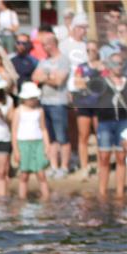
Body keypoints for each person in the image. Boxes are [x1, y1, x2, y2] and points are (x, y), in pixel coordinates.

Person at [33, 32, 71, 177]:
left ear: (52, 44)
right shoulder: (44, 61)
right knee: (51, 136)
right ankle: (54, 166)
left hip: (59, 102)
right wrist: (50, 76)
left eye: (44, 44)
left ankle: (64, 167)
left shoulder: (63, 60)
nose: (43, 47)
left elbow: (59, 81)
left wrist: (45, 77)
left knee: (63, 137)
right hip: (45, 102)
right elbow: (34, 76)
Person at [11, 81, 51, 200]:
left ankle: (46, 197)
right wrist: (16, 150)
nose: (33, 100)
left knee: (41, 173)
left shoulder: (39, 110)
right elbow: (14, 131)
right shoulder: (18, 111)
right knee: (24, 174)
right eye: (31, 98)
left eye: (35, 98)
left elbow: (43, 129)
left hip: (38, 143)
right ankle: (22, 198)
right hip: (23, 144)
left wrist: (47, 145)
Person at [71, 41, 105, 180]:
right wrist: (92, 81)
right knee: (83, 136)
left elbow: (104, 85)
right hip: (84, 103)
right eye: (88, 50)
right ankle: (85, 167)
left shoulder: (103, 66)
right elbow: (77, 83)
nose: (90, 52)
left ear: (97, 51)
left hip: (99, 104)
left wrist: (87, 82)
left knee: (100, 136)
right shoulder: (81, 67)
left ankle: (100, 166)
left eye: (93, 50)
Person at [95, 52, 127, 199]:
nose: (118, 66)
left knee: (121, 157)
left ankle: (120, 192)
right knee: (104, 157)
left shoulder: (125, 81)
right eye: (114, 63)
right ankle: (102, 193)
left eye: (120, 63)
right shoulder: (102, 81)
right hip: (105, 122)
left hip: (123, 122)